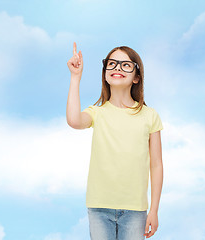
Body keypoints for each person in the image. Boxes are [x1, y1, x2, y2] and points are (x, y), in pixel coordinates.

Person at [66, 42, 163, 240]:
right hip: (99, 206)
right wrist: (75, 78)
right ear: (104, 73)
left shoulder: (150, 116)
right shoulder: (97, 113)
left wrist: (153, 210)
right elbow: (74, 121)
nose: (117, 68)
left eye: (125, 65)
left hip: (135, 208)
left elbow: (156, 165)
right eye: (112, 64)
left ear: (137, 77)